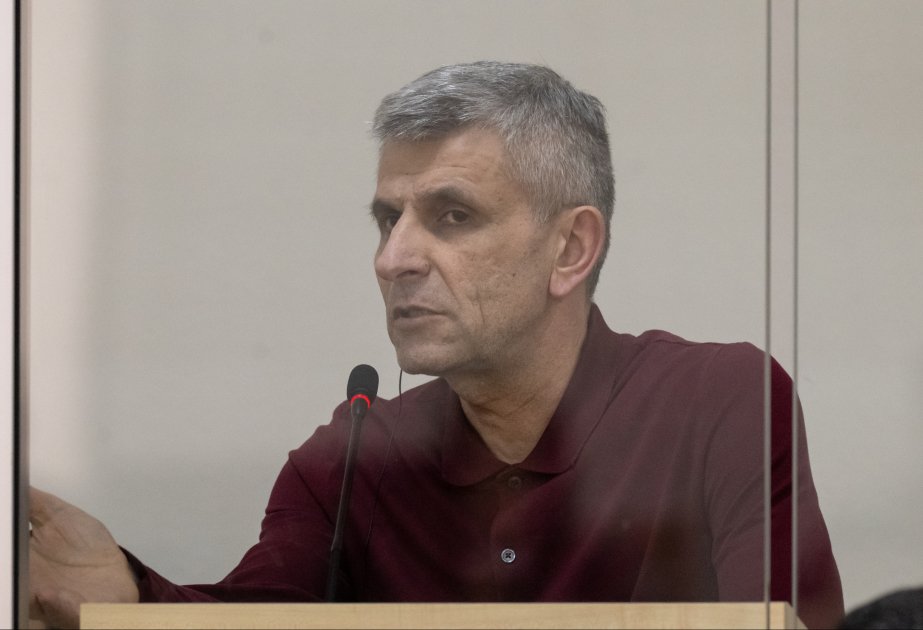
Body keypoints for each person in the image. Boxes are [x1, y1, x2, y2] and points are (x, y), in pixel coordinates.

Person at [29, 61, 844, 629]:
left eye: (451, 216)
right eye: (388, 220)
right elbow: (257, 622)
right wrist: (125, 600)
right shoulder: (351, 455)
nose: (393, 260)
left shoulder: (716, 401)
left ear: (570, 248)